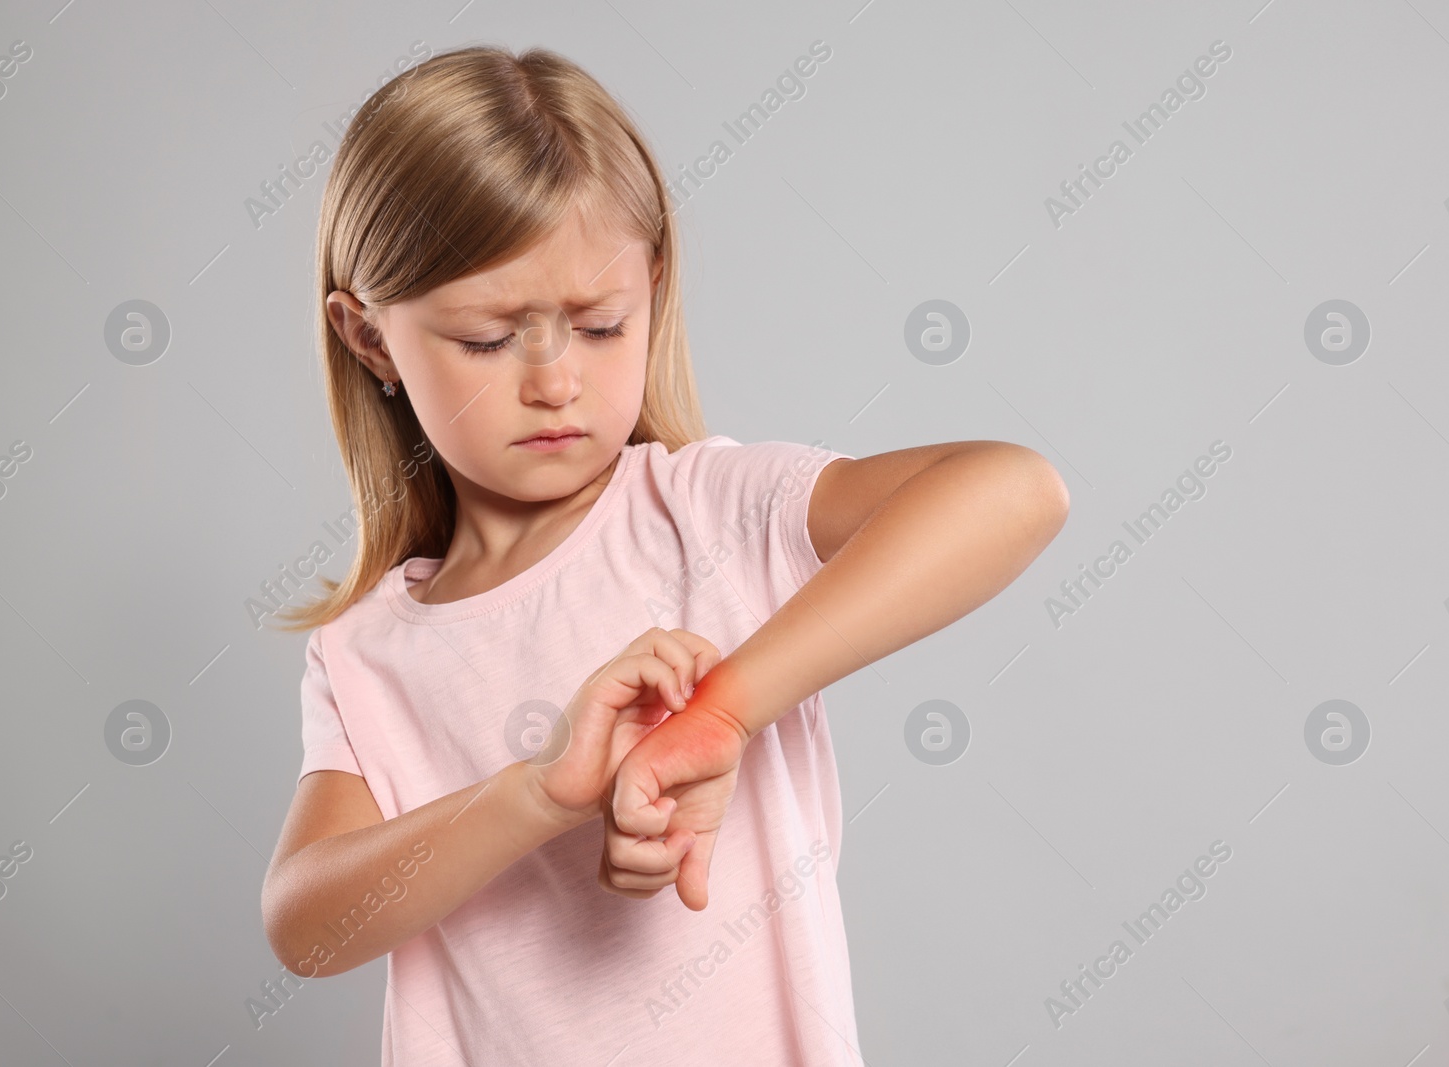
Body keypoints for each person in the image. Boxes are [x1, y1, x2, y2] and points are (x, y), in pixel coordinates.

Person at [259, 42, 1070, 1066]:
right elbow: (306, 924)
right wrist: (539, 791)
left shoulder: (708, 512)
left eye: (599, 325)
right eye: (487, 338)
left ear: (651, 287)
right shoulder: (366, 652)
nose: (555, 380)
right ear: (369, 338)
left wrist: (720, 710)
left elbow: (1013, 490)